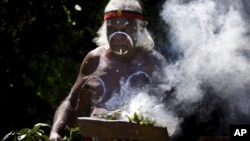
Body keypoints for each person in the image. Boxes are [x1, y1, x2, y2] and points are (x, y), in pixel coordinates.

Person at [49, 0, 167, 140]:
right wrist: (56, 132)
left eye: (124, 29)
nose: (117, 35)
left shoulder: (153, 62)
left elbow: (171, 110)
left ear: (138, 29)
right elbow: (72, 102)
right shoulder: (94, 60)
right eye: (112, 29)